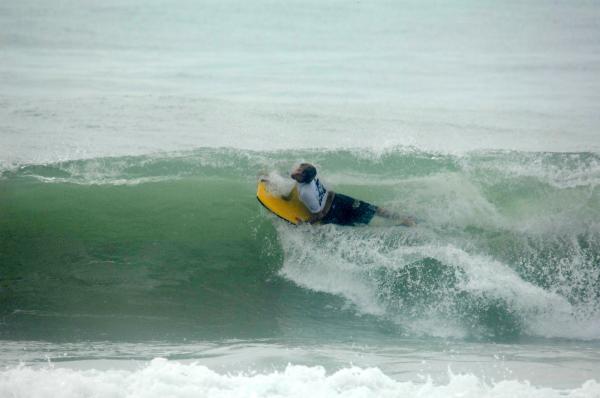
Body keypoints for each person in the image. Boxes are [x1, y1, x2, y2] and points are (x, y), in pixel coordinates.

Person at [284, 163, 414, 226]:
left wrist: (305, 224)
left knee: (368, 221)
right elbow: (295, 183)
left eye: (300, 173)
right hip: (338, 199)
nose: (296, 172)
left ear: (304, 178)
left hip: (333, 211)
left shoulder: (306, 192)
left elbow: (319, 214)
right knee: (373, 211)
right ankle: (403, 218)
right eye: (298, 169)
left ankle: (404, 222)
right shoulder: (308, 178)